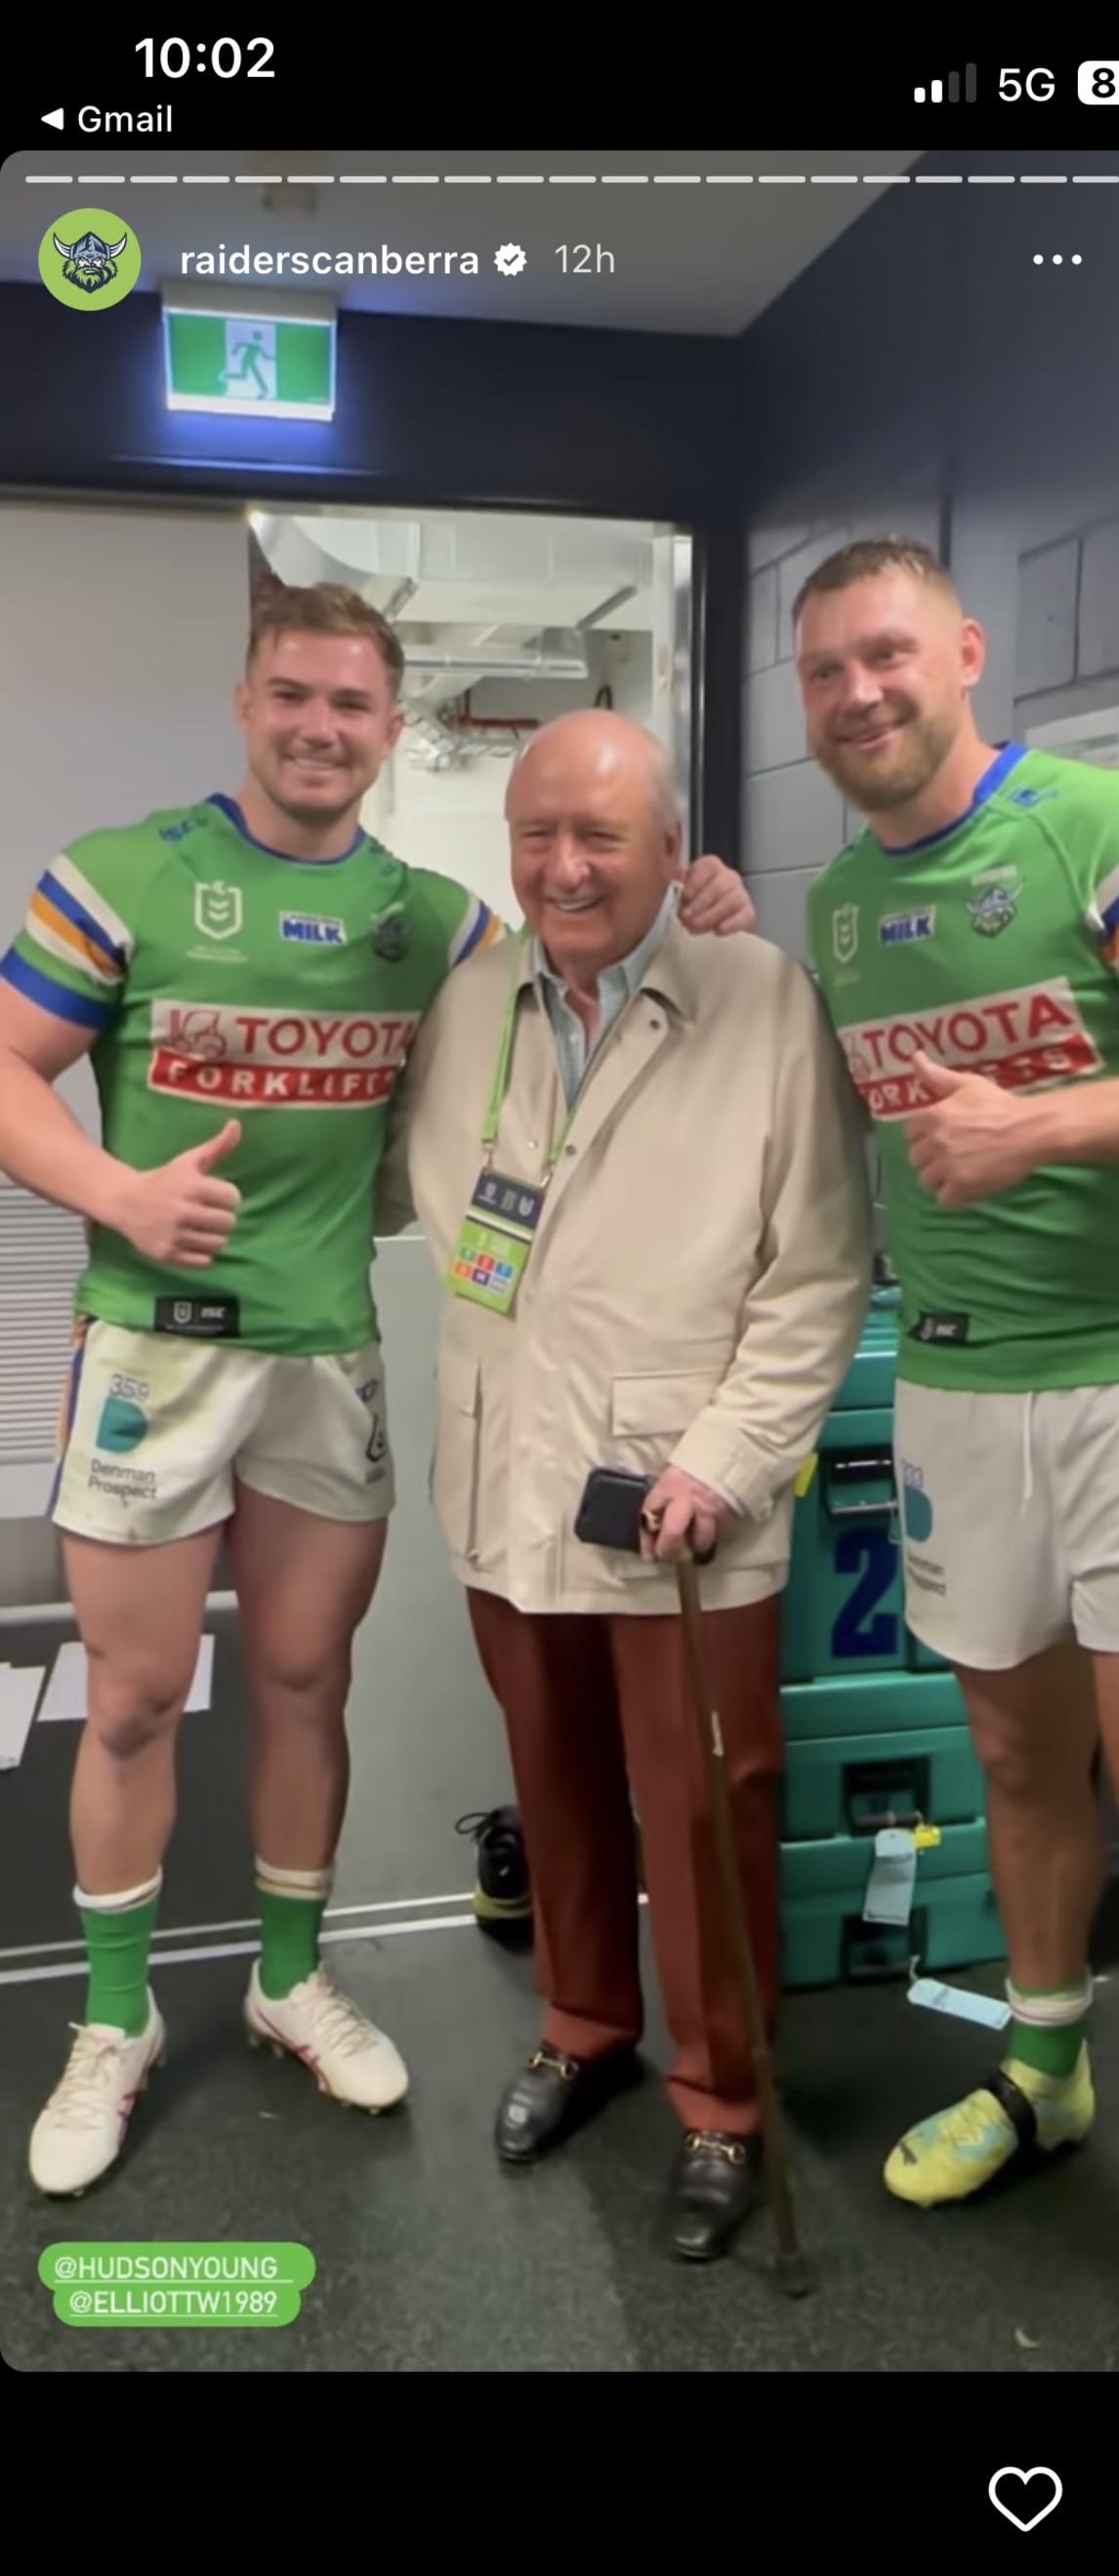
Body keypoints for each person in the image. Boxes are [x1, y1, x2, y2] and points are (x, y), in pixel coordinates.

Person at [0, 584, 755, 2199]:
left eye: (352, 704)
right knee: (130, 1698)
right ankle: (114, 2021)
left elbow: (587, 968)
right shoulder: (124, 873)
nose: (321, 728)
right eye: (293, 695)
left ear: (390, 724)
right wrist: (113, 1193)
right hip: (154, 1348)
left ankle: (288, 1976)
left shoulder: (433, 919)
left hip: (324, 1353)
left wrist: (705, 909)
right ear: (245, 699)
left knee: (303, 1685)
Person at [795, 534, 1119, 2373]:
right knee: (1011, 1759)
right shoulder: (834, 908)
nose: (857, 696)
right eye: (824, 672)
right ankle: (1044, 2069)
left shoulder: (1111, 819)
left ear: (965, 651)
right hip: (958, 1392)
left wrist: (1043, 1125)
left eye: (886, 654)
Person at [376, 708, 873, 2262]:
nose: (566, 865)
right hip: (511, 1469)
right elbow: (401, 1180)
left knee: (707, 1797)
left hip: (680, 1496)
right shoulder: (471, 1001)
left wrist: (725, 1459)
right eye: (538, 834)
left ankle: (723, 2098)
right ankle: (585, 2023)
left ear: (674, 848)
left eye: (602, 834)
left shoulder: (760, 993)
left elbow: (818, 1272)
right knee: (558, 1772)